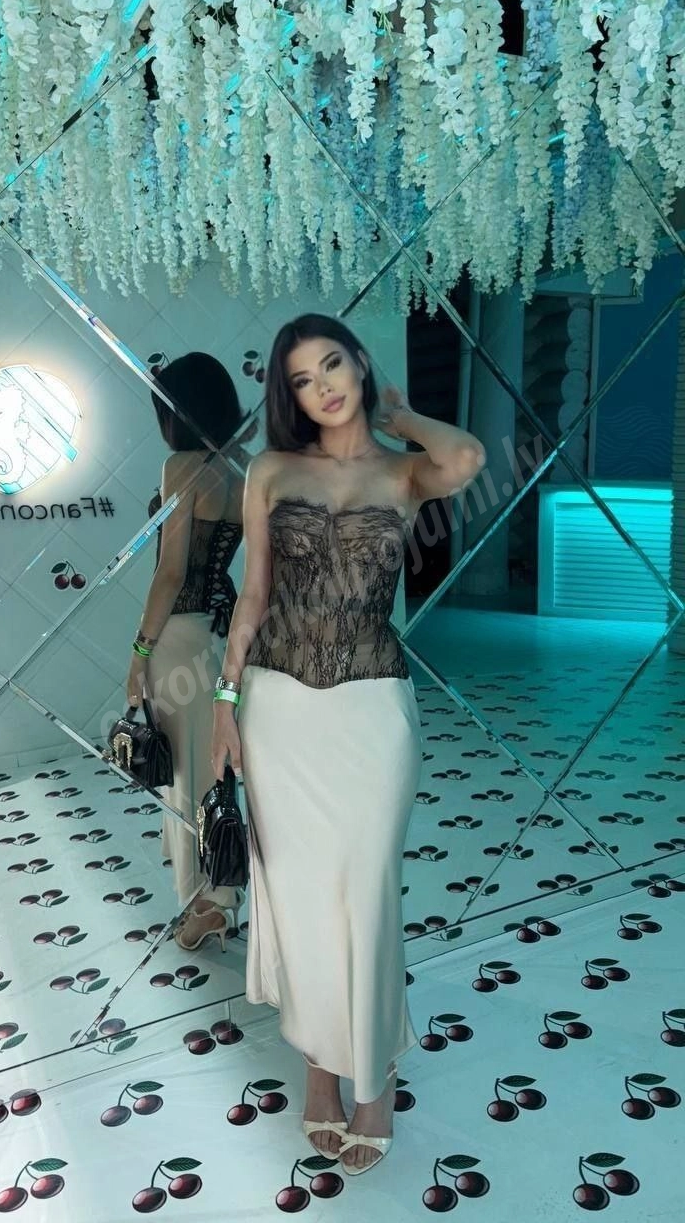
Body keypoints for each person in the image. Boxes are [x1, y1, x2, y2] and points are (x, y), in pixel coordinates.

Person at [210, 313, 486, 1174]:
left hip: (372, 712)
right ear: (288, 395)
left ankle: (375, 1082)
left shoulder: (405, 472)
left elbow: (467, 457)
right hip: (279, 709)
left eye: (332, 364)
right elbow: (253, 597)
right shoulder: (271, 470)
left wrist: (401, 415)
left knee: (364, 895)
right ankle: (322, 1074)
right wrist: (225, 699)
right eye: (302, 378)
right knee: (300, 901)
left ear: (359, 365)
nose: (322, 386)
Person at [126, 352, 247, 952]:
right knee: (213, 770)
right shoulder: (245, 467)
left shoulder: (181, 466)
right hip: (221, 632)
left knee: (185, 777)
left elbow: (171, 571)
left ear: (177, 412)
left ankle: (208, 903)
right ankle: (219, 896)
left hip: (176, 638)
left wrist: (139, 650)